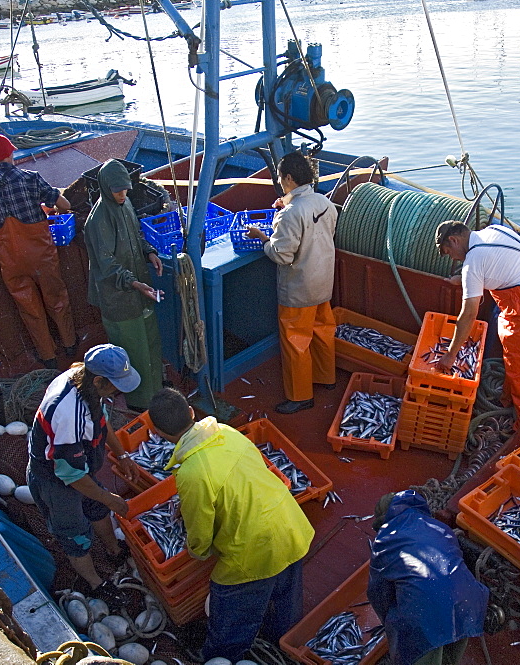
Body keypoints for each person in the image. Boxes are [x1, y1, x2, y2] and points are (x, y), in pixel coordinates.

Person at [148, 387, 314, 662]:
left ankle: (223, 654)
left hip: (255, 550)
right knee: (286, 596)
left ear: (160, 433)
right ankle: (285, 644)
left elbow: (199, 533)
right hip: (291, 525)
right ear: (191, 412)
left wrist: (196, 553)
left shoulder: (191, 472)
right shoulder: (225, 432)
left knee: (230, 607)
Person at [25, 344, 141, 598]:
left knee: (97, 507)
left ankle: (113, 549)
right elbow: (71, 475)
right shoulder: (67, 414)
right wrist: (110, 498)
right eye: (116, 384)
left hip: (80, 467)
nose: (120, 390)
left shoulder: (83, 381)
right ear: (99, 381)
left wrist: (122, 455)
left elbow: (102, 421)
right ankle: (95, 582)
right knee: (75, 535)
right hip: (55, 479)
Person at [435, 220, 520, 440]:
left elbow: (469, 314)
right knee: (516, 356)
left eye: (449, 251)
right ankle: (511, 402)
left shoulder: (473, 261)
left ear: (454, 239)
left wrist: (450, 355)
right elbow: (500, 265)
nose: (453, 257)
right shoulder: (492, 231)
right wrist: (464, 281)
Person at [0, 132, 77, 369]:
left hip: (10, 259)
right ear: (10, 153)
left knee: (29, 308)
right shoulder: (30, 178)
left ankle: (48, 356)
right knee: (57, 298)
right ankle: (70, 344)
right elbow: (64, 205)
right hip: (41, 254)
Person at [245, 151, 338, 414]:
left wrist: (263, 237)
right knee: (322, 332)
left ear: (288, 178)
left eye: (280, 178)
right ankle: (326, 378)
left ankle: (300, 396)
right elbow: (320, 233)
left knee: (296, 341)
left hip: (299, 290)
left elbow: (281, 255)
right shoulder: (324, 203)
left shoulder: (289, 215)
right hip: (323, 283)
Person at [368, 490, 489, 665]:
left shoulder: (384, 540)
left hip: (428, 615)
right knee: (449, 656)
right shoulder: (439, 526)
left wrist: (393, 625)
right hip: (469, 603)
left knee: (425, 641)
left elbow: (379, 594)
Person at [85, 158, 165, 411]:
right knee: (133, 349)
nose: (122, 194)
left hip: (140, 290)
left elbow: (136, 235)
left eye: (125, 189)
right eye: (117, 190)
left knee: (150, 341)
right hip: (119, 298)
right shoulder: (97, 220)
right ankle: (140, 401)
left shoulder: (126, 203)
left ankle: (156, 387)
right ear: (105, 187)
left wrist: (149, 252)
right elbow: (107, 265)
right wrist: (134, 283)